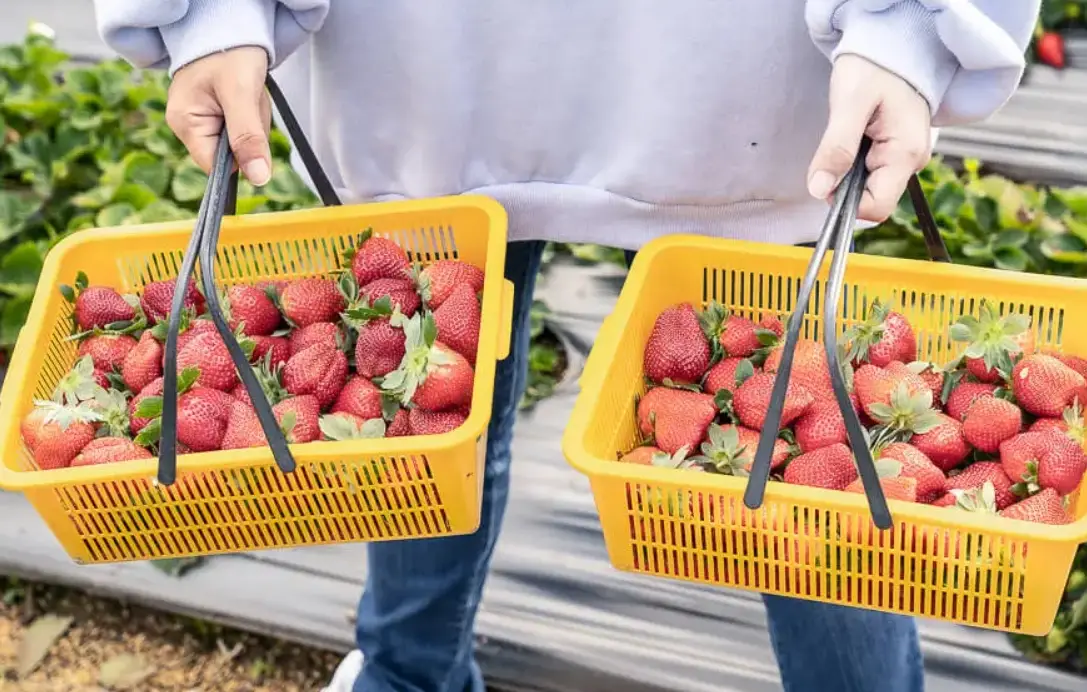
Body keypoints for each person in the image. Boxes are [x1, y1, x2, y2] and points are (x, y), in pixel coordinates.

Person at [91, 2, 1039, 690]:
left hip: (745, 64)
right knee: (427, 418)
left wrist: (908, 26)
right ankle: (407, 670)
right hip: (431, 57)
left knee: (821, 436)